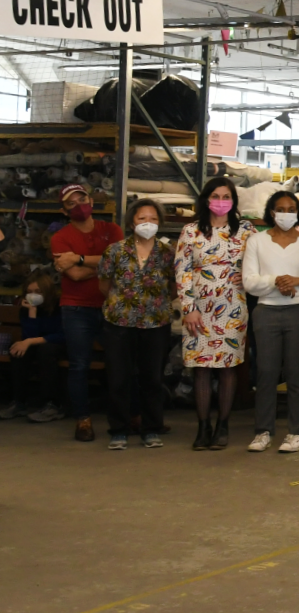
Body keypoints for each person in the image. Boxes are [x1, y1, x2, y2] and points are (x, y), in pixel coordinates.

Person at [242, 191, 299, 453]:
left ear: (298, 213)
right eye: (281, 209)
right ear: (271, 212)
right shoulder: (256, 241)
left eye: (291, 209)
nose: (286, 214)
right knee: (266, 372)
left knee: (296, 372)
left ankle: (296, 432)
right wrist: (277, 281)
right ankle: (263, 431)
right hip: (266, 312)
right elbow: (249, 282)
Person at [177, 177, 255, 450]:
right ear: (206, 199)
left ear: (233, 200)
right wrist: (189, 309)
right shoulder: (190, 231)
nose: (221, 201)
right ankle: (203, 426)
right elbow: (182, 270)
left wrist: (248, 277)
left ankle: (223, 425)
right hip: (198, 309)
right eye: (216, 196)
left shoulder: (246, 230)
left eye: (226, 196)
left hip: (232, 307)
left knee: (227, 368)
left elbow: (259, 262)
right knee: (201, 368)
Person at [97, 199, 177, 450]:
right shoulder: (115, 251)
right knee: (118, 378)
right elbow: (104, 284)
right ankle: (118, 430)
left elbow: (173, 287)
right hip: (119, 322)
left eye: (153, 219)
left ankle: (151, 429)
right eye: (142, 219)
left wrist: (155, 303)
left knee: (152, 379)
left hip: (156, 323)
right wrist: (123, 302)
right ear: (132, 222)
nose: (148, 223)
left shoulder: (167, 253)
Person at [50, 184, 124, 441]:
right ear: (64, 211)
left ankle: (130, 416)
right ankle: (83, 420)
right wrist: (105, 263)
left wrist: (79, 258)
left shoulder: (111, 229)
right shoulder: (60, 238)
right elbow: (75, 275)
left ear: (92, 201)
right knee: (79, 365)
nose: (79, 205)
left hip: (112, 305)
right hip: (76, 308)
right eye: (71, 203)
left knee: (121, 363)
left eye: (82, 199)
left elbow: (119, 260)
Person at [1, 272, 65, 422]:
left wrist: (30, 341)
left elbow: (61, 335)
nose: (33, 295)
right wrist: (32, 311)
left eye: (37, 291)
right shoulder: (26, 309)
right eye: (29, 292)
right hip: (37, 344)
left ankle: (52, 405)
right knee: (17, 350)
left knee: (46, 351)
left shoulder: (59, 307)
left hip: (59, 346)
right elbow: (28, 335)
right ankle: (19, 402)